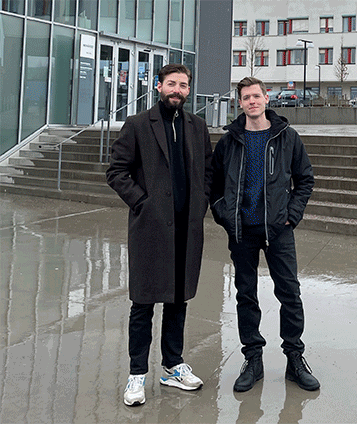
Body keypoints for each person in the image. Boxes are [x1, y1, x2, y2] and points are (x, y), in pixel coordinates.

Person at [106, 63, 213, 406]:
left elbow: (208, 170)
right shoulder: (138, 125)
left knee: (178, 300)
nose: (177, 90)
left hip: (186, 228)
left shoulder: (197, 126)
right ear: (158, 86)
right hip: (151, 228)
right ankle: (137, 374)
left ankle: (173, 365)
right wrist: (142, 203)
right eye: (171, 84)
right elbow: (117, 171)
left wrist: (201, 202)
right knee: (143, 304)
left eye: (183, 85)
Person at [210, 76, 318, 392]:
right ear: (240, 103)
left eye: (256, 96)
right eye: (246, 98)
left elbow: (305, 180)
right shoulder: (230, 142)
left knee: (290, 294)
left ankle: (295, 359)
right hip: (242, 231)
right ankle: (253, 359)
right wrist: (225, 215)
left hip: (279, 231)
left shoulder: (287, 137)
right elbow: (213, 185)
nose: (252, 101)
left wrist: (291, 216)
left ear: (266, 98)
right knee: (246, 294)